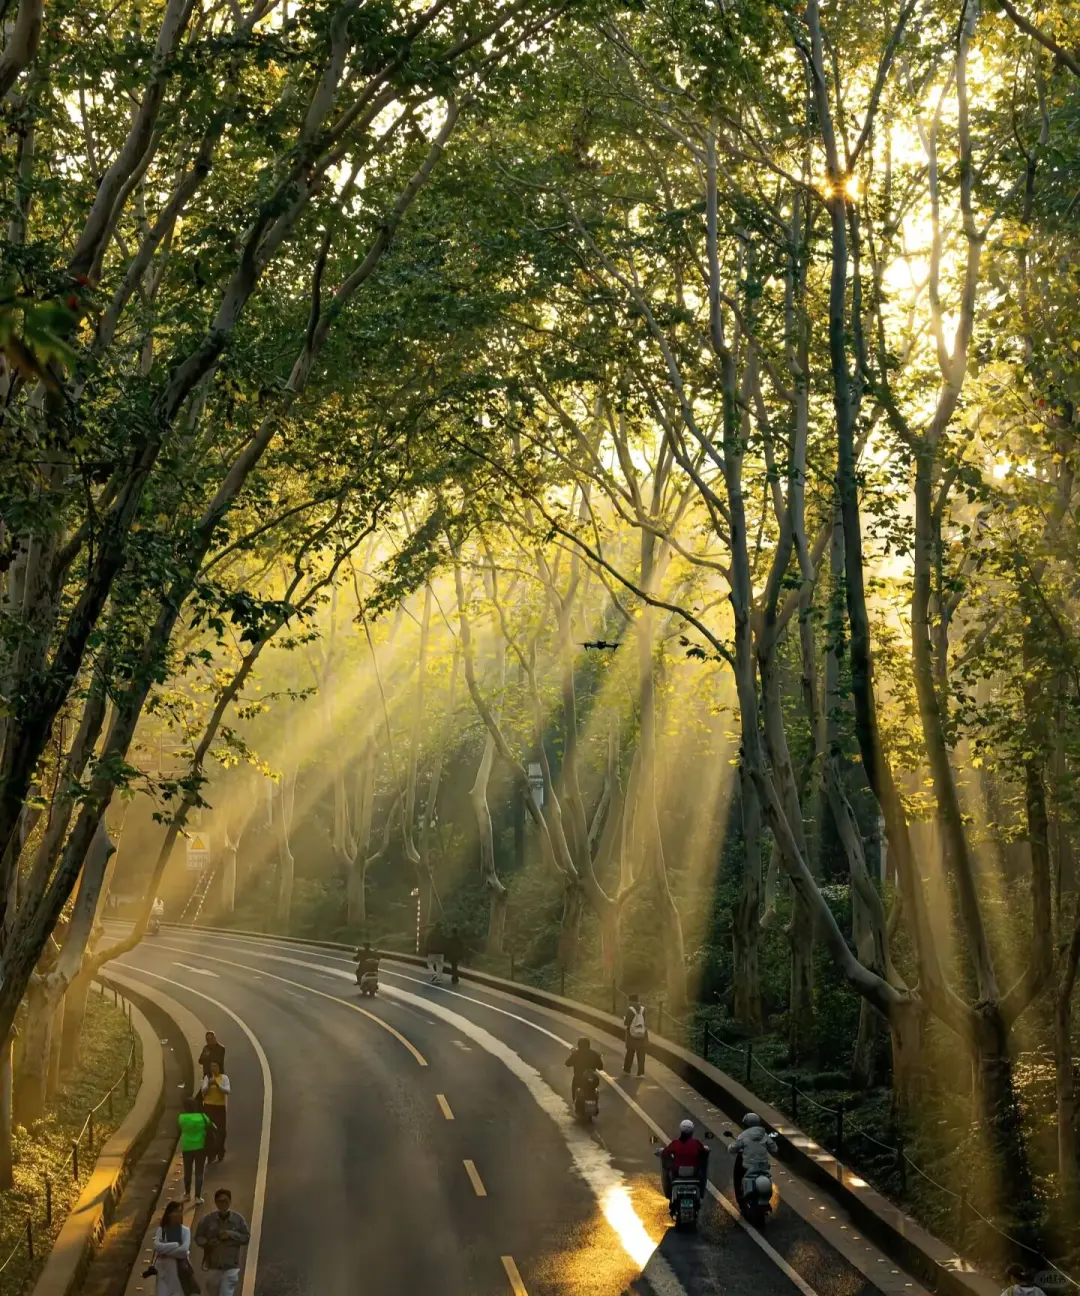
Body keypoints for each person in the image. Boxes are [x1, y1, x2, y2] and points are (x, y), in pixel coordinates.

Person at [195, 1188, 250, 1296]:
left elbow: (246, 1237)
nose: (223, 1205)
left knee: (226, 1293)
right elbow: (198, 1237)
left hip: (231, 1266)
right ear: (215, 1202)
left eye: (226, 1201)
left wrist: (231, 1234)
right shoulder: (207, 1220)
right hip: (213, 1266)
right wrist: (207, 1243)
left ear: (230, 1202)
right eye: (220, 1202)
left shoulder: (238, 1219)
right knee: (213, 1291)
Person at [728, 1112, 777, 1205]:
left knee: (738, 1176)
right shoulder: (764, 1135)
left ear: (746, 1124)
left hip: (749, 1166)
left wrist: (731, 1147)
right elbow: (774, 1149)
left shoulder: (743, 1135)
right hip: (763, 1166)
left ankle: (740, 1199)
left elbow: (733, 1149)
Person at [178, 1095, 215, 1204]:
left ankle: (187, 1194)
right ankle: (198, 1197)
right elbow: (213, 1126)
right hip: (200, 1147)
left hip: (187, 1147)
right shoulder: (203, 1117)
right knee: (199, 1172)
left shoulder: (181, 1118)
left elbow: (180, 1127)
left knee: (187, 1171)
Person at [660, 1118, 709, 1199]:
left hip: (677, 1174)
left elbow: (665, 1153)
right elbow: (704, 1153)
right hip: (694, 1174)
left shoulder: (675, 1143)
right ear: (692, 1131)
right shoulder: (696, 1143)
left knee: (666, 1170)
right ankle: (701, 1194)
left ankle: (668, 1194)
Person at [151, 1201, 192, 1296]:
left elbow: (184, 1251)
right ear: (169, 1213)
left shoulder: (185, 1231)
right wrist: (175, 1245)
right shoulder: (161, 1230)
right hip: (163, 1271)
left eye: (180, 1212)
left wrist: (165, 1252)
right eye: (175, 1211)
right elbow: (157, 1246)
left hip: (179, 1272)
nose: (178, 1214)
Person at [200, 1061, 230, 1161]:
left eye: (215, 1066)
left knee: (221, 1130)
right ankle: (210, 1153)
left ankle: (220, 1150)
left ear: (219, 1067)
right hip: (208, 1106)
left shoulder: (224, 1078)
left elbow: (227, 1091)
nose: (213, 1068)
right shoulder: (207, 1078)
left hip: (219, 1107)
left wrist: (217, 1085)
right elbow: (203, 1091)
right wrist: (209, 1084)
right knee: (208, 1130)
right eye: (211, 1066)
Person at [565, 1036, 604, 1108]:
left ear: (579, 1045)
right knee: (594, 1088)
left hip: (578, 1077)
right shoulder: (594, 1054)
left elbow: (567, 1063)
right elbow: (601, 1067)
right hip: (592, 1078)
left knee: (574, 1086)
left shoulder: (576, 1053)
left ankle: (575, 1101)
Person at [623, 993, 648, 1076]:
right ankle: (641, 1072)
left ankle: (627, 1069)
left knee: (630, 1052)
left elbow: (627, 1023)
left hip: (632, 1034)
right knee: (641, 1054)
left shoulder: (630, 1010)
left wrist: (625, 1019)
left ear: (630, 1000)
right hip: (642, 1034)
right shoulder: (643, 1009)